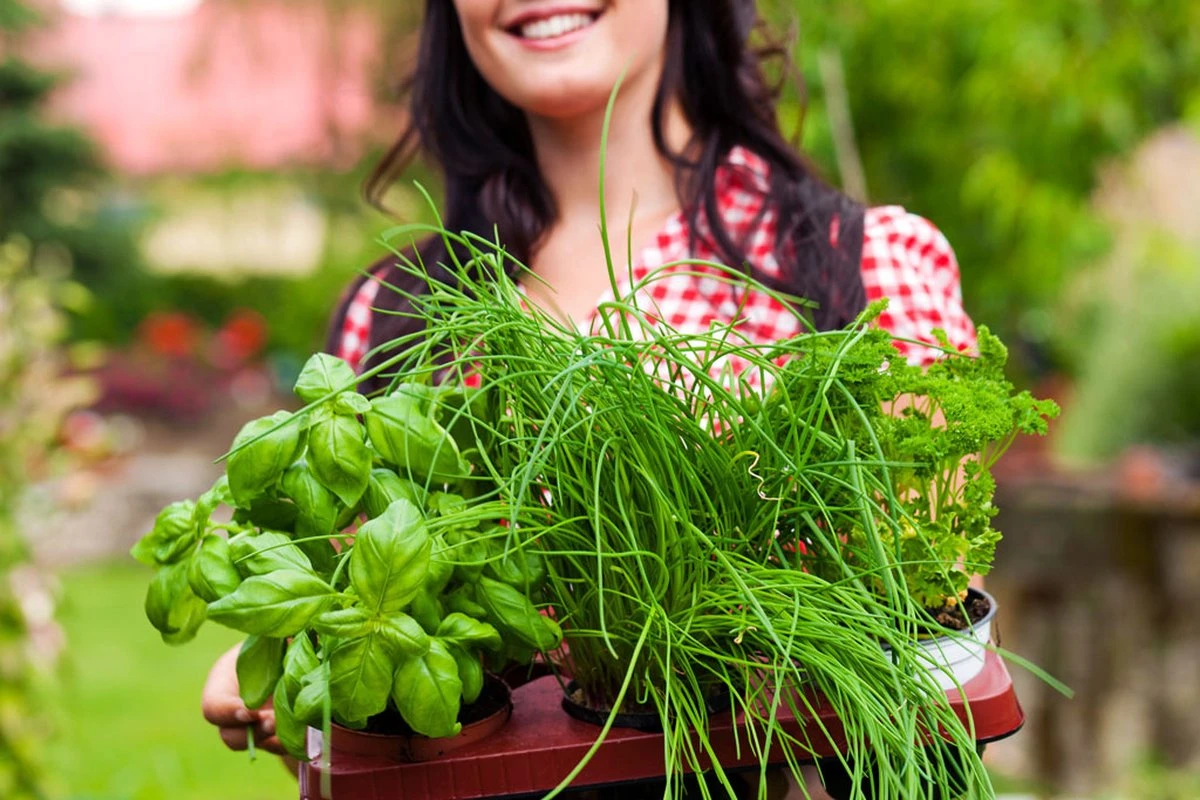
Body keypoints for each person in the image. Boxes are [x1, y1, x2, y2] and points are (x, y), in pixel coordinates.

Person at [201, 0, 977, 795]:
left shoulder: (856, 271)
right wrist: (294, 677)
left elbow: (928, 645)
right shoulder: (399, 313)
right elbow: (376, 691)